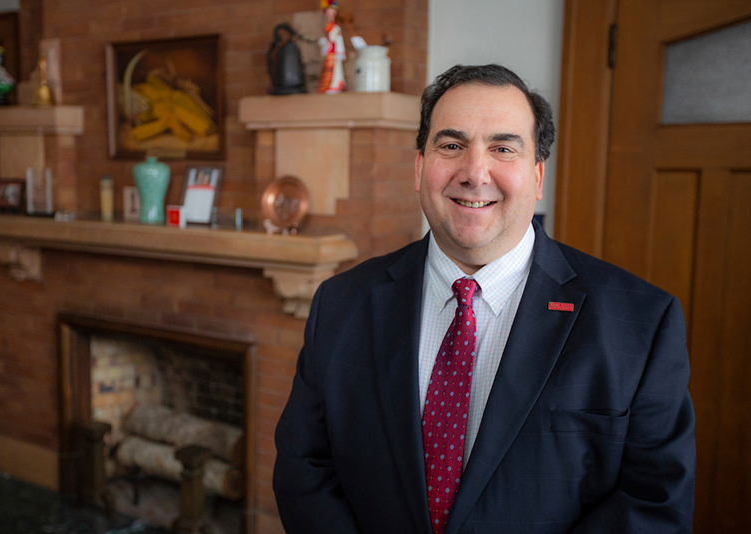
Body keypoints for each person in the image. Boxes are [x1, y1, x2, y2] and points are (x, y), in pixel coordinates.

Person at [273, 64, 696, 534]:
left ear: (537, 175)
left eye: (502, 148)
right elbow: (303, 470)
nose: (475, 173)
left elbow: (653, 505)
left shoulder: (641, 323)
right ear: (419, 168)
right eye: (451, 146)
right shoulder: (341, 303)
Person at [317, 0, 346, 94]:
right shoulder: (325, 26)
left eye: (333, 11)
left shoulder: (336, 27)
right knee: (327, 72)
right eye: (329, 10)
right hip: (329, 53)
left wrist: (340, 52)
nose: (331, 13)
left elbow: (338, 39)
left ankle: (335, 85)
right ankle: (328, 86)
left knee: (336, 71)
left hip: (334, 53)